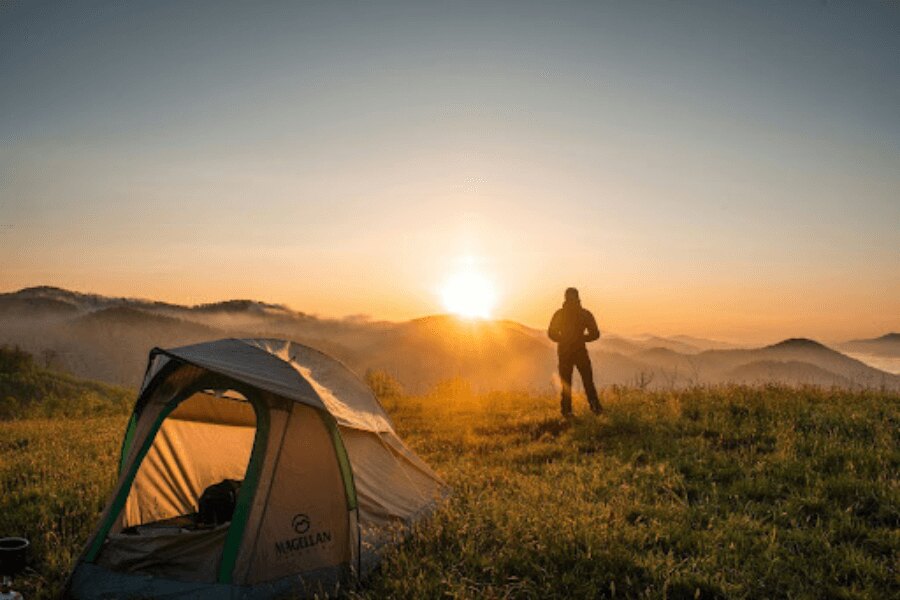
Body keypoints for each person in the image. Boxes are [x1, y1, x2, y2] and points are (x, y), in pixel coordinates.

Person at [547, 287, 602, 417]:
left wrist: (564, 339)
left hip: (565, 352)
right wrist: (581, 338)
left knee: (567, 383)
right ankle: (595, 409)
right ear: (578, 297)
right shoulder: (585, 314)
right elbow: (595, 334)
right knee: (587, 381)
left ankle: (567, 412)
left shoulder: (559, 314)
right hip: (579, 351)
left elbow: (551, 333)